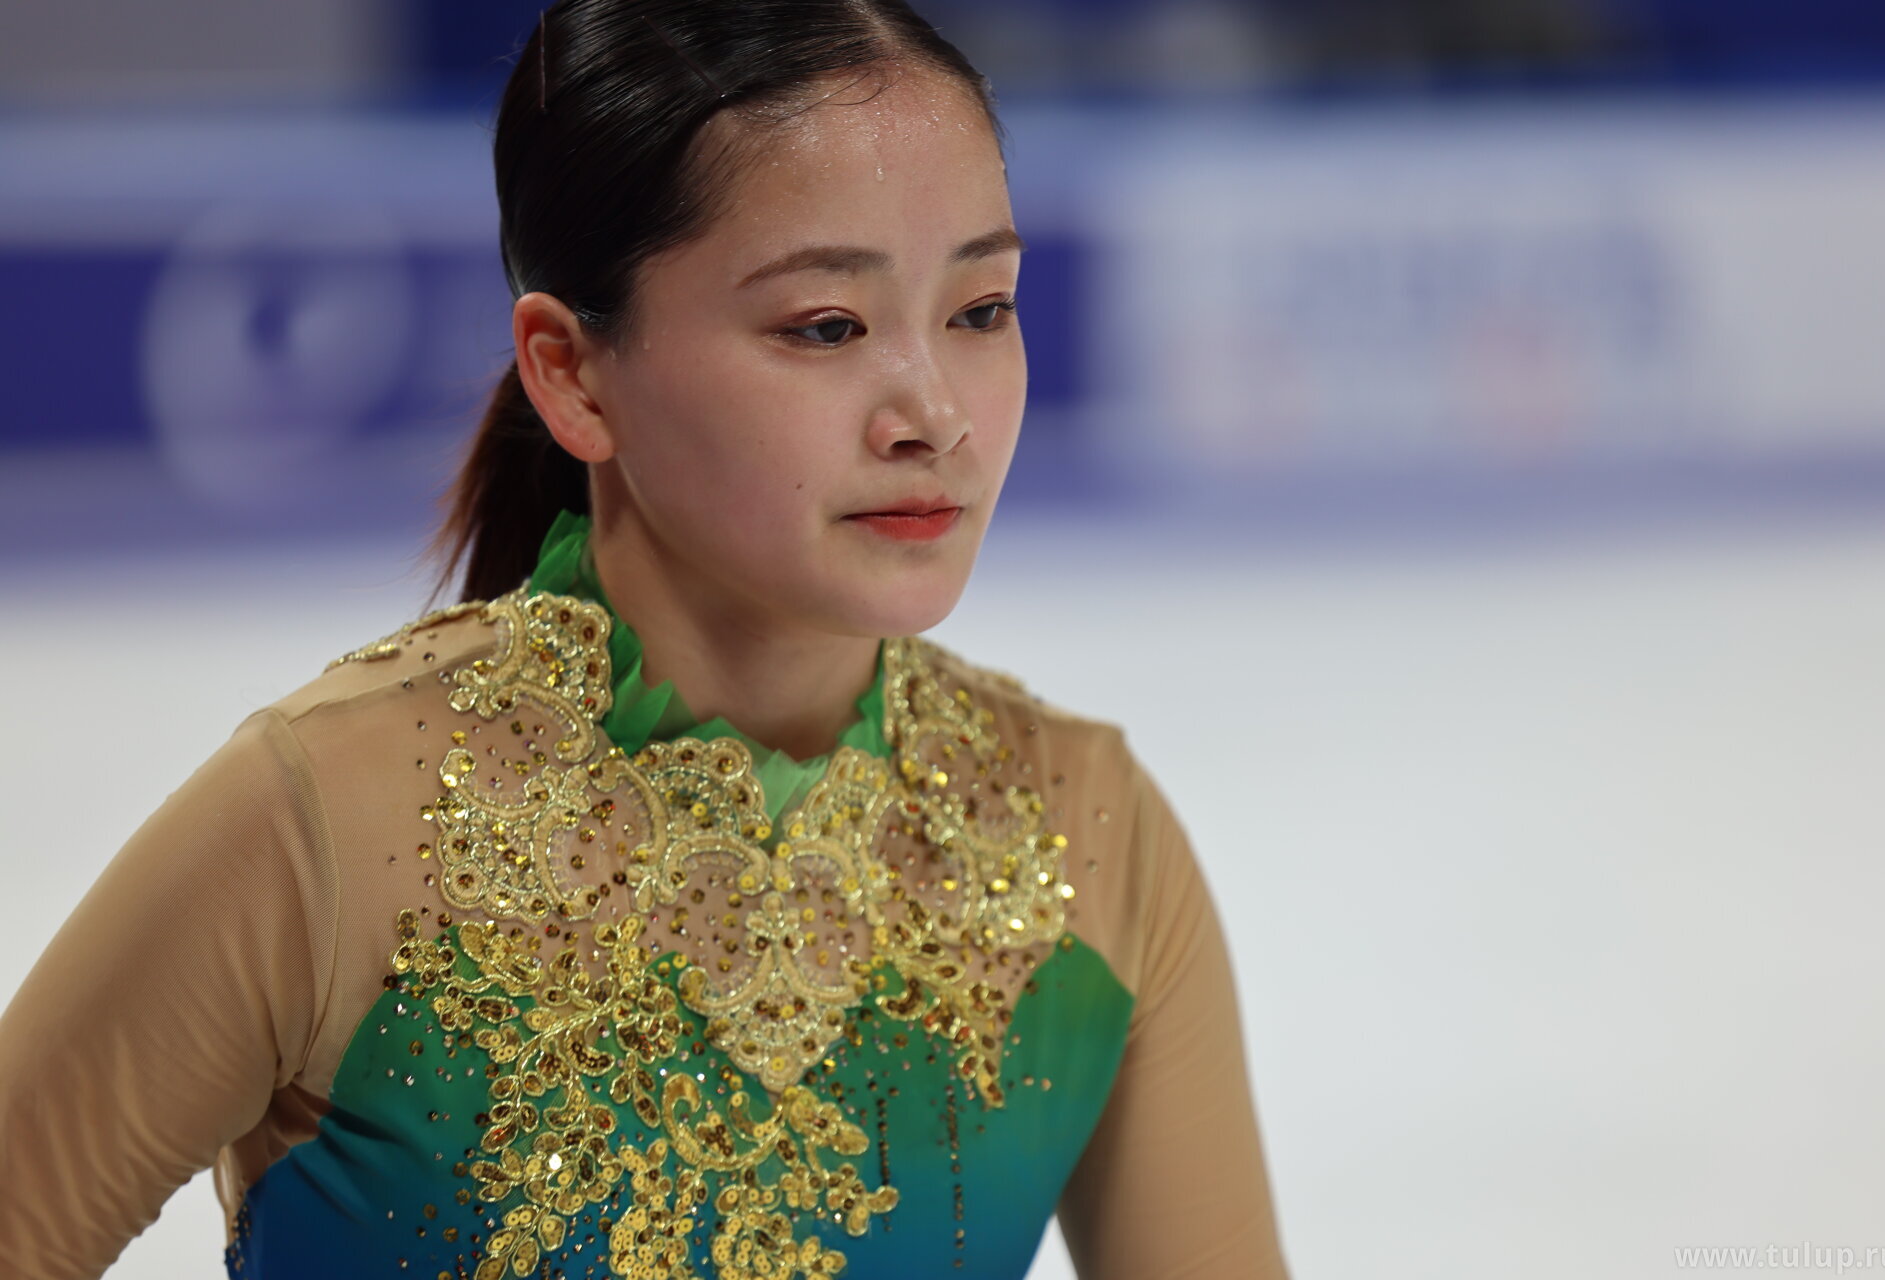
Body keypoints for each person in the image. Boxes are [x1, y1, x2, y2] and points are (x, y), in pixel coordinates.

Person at [0, 2, 1290, 1277]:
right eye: (827, 326)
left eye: (982, 309)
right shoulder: (328, 829)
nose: (935, 414)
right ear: (571, 372)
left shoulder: (1088, 841)